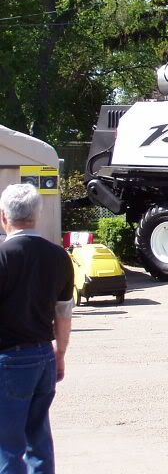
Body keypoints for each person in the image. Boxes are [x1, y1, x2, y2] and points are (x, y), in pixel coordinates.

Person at [0, 184, 73, 474]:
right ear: (37, 216)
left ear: (4, 216)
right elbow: (63, 312)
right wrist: (60, 353)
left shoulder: (3, 257)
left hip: (8, 360)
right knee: (38, 440)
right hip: (43, 355)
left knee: (7, 444)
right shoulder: (59, 256)